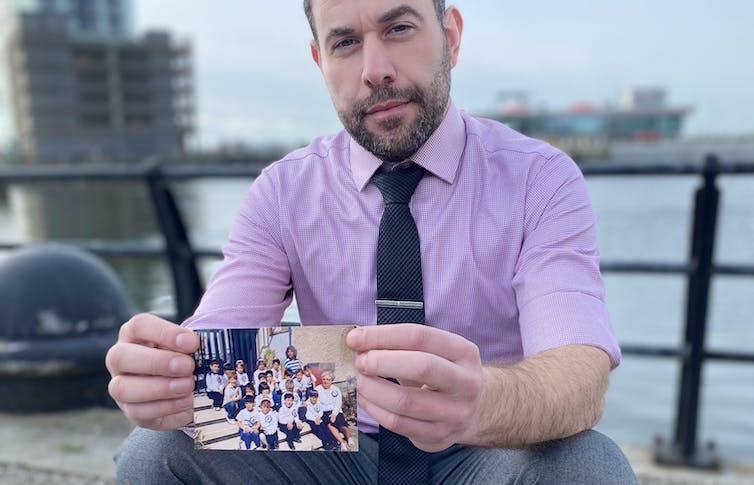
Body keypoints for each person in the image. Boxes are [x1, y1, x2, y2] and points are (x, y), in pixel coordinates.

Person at [106, 1, 638, 483]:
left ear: (450, 36)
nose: (374, 70)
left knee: (588, 466)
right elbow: (219, 337)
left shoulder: (538, 178)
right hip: (328, 413)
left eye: (399, 28)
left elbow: (577, 373)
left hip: (486, 438)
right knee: (157, 450)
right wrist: (166, 374)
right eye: (346, 43)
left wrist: (482, 403)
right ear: (320, 62)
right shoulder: (284, 191)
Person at [315, 371, 353, 451]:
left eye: (328, 379)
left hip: (336, 411)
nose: (326, 381)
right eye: (324, 379)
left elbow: (338, 403)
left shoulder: (336, 389)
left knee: (342, 425)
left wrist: (334, 414)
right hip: (324, 412)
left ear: (331, 380)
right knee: (330, 425)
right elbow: (315, 403)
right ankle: (342, 442)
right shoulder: (317, 389)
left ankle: (349, 439)